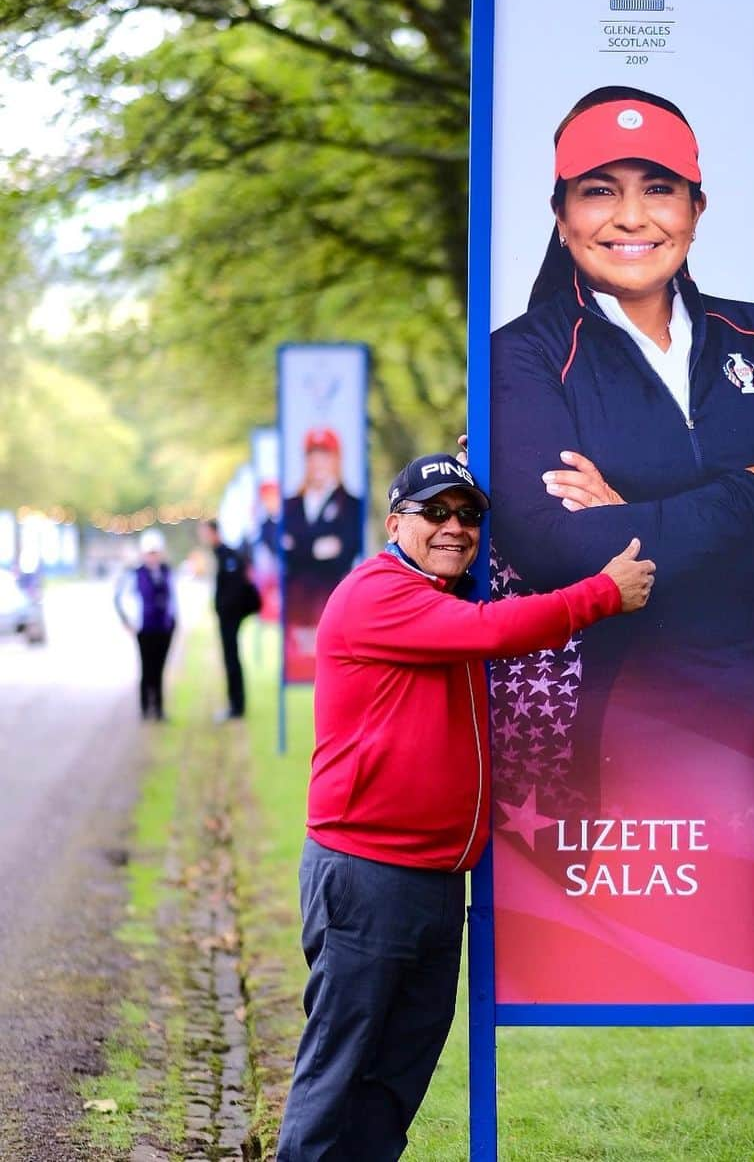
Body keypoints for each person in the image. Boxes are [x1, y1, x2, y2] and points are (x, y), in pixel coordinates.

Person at [275, 454, 655, 1162]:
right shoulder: (378, 593)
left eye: (469, 514)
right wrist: (602, 593)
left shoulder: (438, 594)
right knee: (338, 1075)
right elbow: (495, 630)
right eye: (435, 513)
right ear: (395, 524)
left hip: (437, 880)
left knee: (393, 1081)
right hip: (368, 875)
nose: (454, 527)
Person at [487, 86, 754, 999]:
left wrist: (628, 512)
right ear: (561, 212)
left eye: (658, 187)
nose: (632, 217)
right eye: (599, 190)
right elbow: (556, 550)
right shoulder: (520, 356)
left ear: (697, 205)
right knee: (625, 961)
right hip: (618, 741)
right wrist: (748, 493)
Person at [281, 426, 362, 636]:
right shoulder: (290, 505)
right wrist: (316, 549)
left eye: (324, 456)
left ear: (336, 460)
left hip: (331, 602)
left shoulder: (351, 504)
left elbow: (344, 554)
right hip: (296, 607)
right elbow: (282, 550)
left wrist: (298, 545)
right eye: (312, 457)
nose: (317, 464)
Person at [114, 527, 177, 720]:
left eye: (155, 553)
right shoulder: (135, 574)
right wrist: (128, 621)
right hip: (145, 627)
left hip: (163, 627)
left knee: (159, 668)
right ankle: (145, 706)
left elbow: (173, 598)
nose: (153, 557)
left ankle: (158, 707)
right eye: (150, 553)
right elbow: (120, 598)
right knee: (147, 667)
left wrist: (173, 620)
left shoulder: (166, 572)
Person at [200, 518, 254, 721]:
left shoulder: (227, 555)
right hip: (227, 616)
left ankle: (237, 706)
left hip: (230, 617)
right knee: (230, 659)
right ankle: (234, 703)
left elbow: (234, 589)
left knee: (232, 660)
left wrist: (225, 610)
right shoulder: (220, 555)